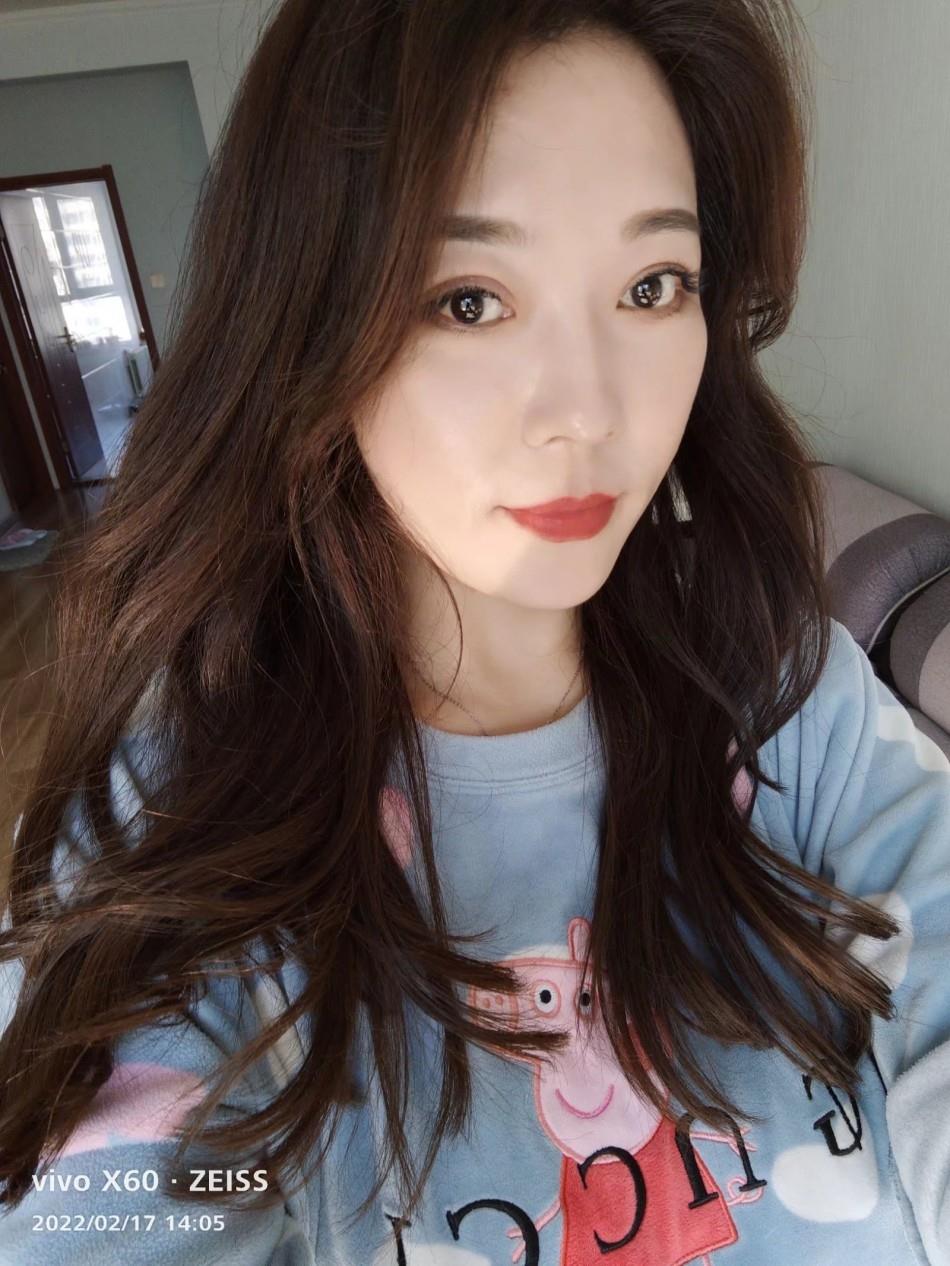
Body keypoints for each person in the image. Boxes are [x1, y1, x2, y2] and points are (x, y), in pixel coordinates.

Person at [1, 1, 948, 1262]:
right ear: (309, 319)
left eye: (650, 286)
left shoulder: (785, 696)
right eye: (466, 299)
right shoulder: (172, 826)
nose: (587, 410)